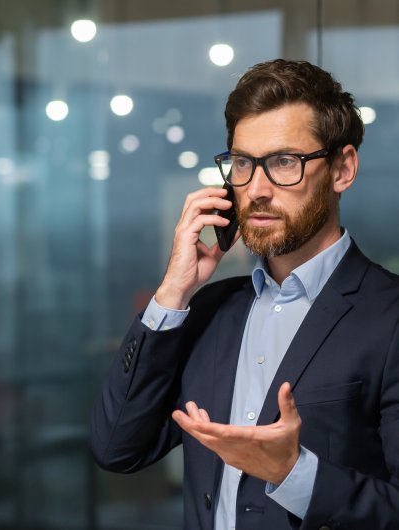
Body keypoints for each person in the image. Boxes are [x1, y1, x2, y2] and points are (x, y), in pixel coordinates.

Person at [89, 59, 399, 529]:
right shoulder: (208, 311)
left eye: (283, 162)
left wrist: (294, 474)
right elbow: (117, 448)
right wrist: (173, 291)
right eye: (241, 163)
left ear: (342, 169)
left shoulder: (390, 317)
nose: (254, 190)